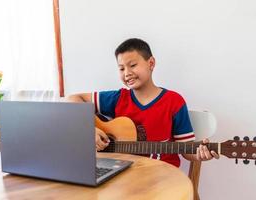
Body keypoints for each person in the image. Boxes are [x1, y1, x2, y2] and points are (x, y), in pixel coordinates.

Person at [66, 38, 219, 167]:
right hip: (123, 177)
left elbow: (187, 151)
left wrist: (200, 154)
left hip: (163, 178)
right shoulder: (118, 98)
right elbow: (73, 99)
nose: (127, 73)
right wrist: (88, 128)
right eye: (121, 68)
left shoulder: (173, 102)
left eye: (132, 65)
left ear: (151, 63)